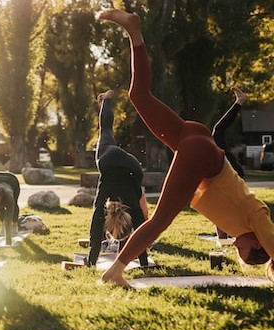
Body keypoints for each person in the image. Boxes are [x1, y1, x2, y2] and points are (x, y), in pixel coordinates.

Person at [97, 9, 274, 287]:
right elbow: (271, 238)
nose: (235, 247)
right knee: (159, 221)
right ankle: (114, 272)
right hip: (201, 156)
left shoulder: (245, 221)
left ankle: (134, 31)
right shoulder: (257, 217)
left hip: (197, 140)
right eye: (243, 249)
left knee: (139, 95)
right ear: (256, 242)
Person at [87, 90, 149, 267]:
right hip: (108, 161)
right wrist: (143, 264)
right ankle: (106, 100)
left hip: (133, 166)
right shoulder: (106, 198)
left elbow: (140, 232)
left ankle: (106, 100)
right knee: (105, 131)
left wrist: (92, 261)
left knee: (106, 130)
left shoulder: (133, 205)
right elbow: (96, 228)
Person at [210, 86, 248, 239]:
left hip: (233, 174)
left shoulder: (213, 149)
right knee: (220, 207)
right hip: (231, 174)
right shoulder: (211, 151)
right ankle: (224, 237)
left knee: (220, 207)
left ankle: (224, 237)